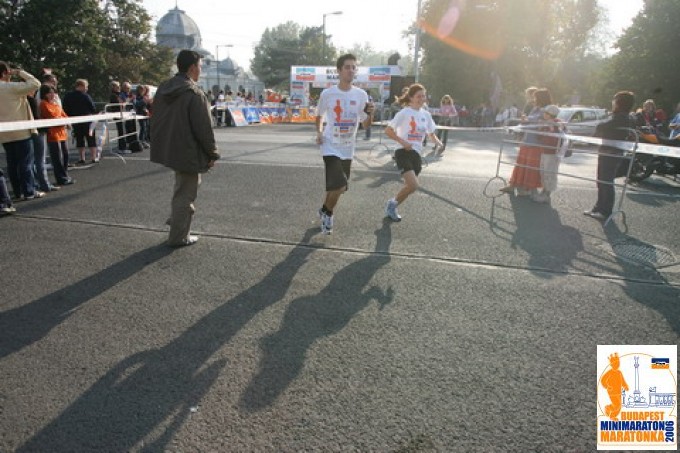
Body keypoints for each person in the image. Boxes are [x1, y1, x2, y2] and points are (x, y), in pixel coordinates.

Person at [150, 49, 220, 247]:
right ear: (192, 68)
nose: (200, 70)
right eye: (199, 66)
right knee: (186, 193)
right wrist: (213, 153)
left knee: (180, 187)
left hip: (169, 146)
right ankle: (179, 235)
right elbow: (204, 129)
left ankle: (176, 221)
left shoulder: (165, 88)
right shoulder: (194, 93)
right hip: (188, 149)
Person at [315, 53, 374, 234]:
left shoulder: (361, 95)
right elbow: (319, 115)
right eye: (347, 67)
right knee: (340, 185)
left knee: (338, 188)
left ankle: (324, 209)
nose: (351, 70)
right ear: (339, 71)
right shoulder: (328, 93)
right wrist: (319, 132)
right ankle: (328, 215)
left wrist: (371, 114)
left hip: (348, 147)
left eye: (353, 67)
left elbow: (365, 124)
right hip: (330, 144)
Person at [383, 83, 443, 221]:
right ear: (411, 97)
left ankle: (392, 204)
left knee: (411, 187)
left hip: (416, 154)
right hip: (403, 152)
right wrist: (403, 142)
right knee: (413, 185)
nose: (422, 99)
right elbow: (388, 131)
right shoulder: (404, 113)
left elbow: (431, 134)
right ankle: (392, 205)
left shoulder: (426, 115)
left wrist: (439, 144)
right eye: (418, 96)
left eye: (423, 96)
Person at [584, 91, 635, 221]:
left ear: (619, 103)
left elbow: (602, 126)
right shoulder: (618, 116)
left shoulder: (621, 117)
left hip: (611, 153)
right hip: (607, 151)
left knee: (606, 181)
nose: (612, 102)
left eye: (614, 100)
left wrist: (603, 123)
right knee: (601, 180)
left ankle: (605, 211)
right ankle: (598, 207)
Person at [0, 61, 43, 201]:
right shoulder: (11, 87)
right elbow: (36, 83)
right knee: (25, 163)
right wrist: (19, 72)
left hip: (4, 133)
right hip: (20, 131)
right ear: (5, 73)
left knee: (12, 164)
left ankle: (17, 191)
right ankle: (29, 191)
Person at [500, 87, 553, 196]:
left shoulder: (547, 110)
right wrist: (524, 120)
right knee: (521, 164)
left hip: (536, 142)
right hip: (527, 139)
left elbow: (541, 121)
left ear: (541, 98)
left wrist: (527, 119)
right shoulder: (535, 108)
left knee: (530, 166)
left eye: (536, 97)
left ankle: (527, 188)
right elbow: (529, 121)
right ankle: (513, 185)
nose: (534, 100)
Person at [39, 84, 75, 186]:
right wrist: (62, 119)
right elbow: (52, 116)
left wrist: (67, 121)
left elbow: (63, 114)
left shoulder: (56, 104)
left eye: (53, 92)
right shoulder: (43, 104)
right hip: (53, 133)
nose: (52, 95)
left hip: (62, 132)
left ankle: (65, 175)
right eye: (49, 93)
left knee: (65, 154)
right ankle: (61, 178)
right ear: (44, 94)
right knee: (57, 157)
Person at [531, 104, 563, 203]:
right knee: (543, 172)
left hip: (552, 153)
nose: (544, 114)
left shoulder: (558, 124)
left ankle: (547, 194)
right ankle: (544, 192)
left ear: (551, 114)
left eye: (546, 113)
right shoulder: (545, 123)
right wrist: (541, 128)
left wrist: (551, 128)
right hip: (544, 151)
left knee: (550, 173)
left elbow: (557, 137)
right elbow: (539, 137)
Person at [62, 79, 98, 164]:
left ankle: (82, 158)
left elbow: (65, 108)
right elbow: (93, 108)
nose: (87, 89)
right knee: (91, 139)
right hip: (87, 120)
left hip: (75, 121)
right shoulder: (86, 96)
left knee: (79, 139)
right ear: (81, 86)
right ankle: (93, 157)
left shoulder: (68, 96)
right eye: (86, 87)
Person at [108, 81, 128, 153]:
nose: (119, 87)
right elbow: (120, 104)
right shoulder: (114, 95)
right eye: (117, 86)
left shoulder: (118, 94)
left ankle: (122, 147)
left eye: (119, 86)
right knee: (121, 131)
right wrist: (125, 102)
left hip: (121, 114)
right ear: (113, 87)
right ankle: (122, 148)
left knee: (122, 131)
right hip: (117, 114)